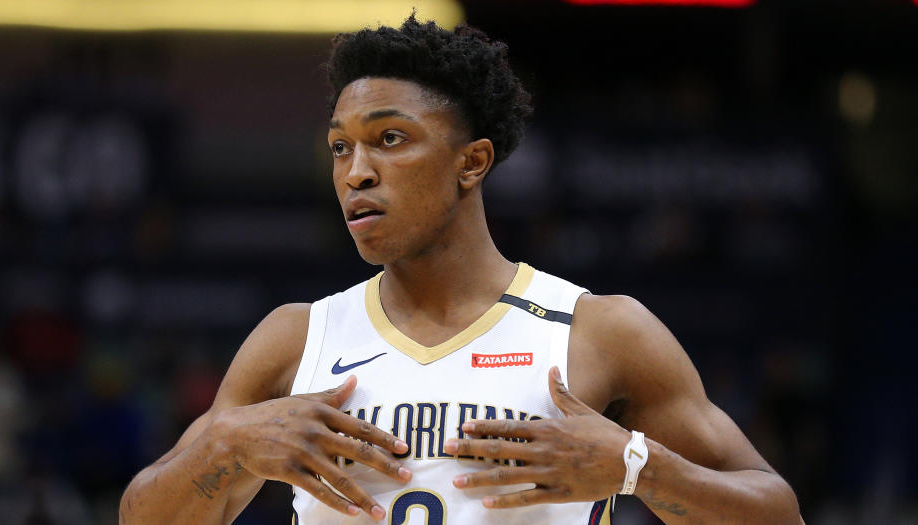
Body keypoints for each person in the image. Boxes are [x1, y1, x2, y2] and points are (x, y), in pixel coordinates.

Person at [119, 16, 803, 525]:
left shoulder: (599, 331)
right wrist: (225, 440)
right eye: (339, 147)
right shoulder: (297, 337)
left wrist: (636, 465)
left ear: (471, 162)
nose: (356, 172)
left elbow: (778, 513)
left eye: (390, 139)